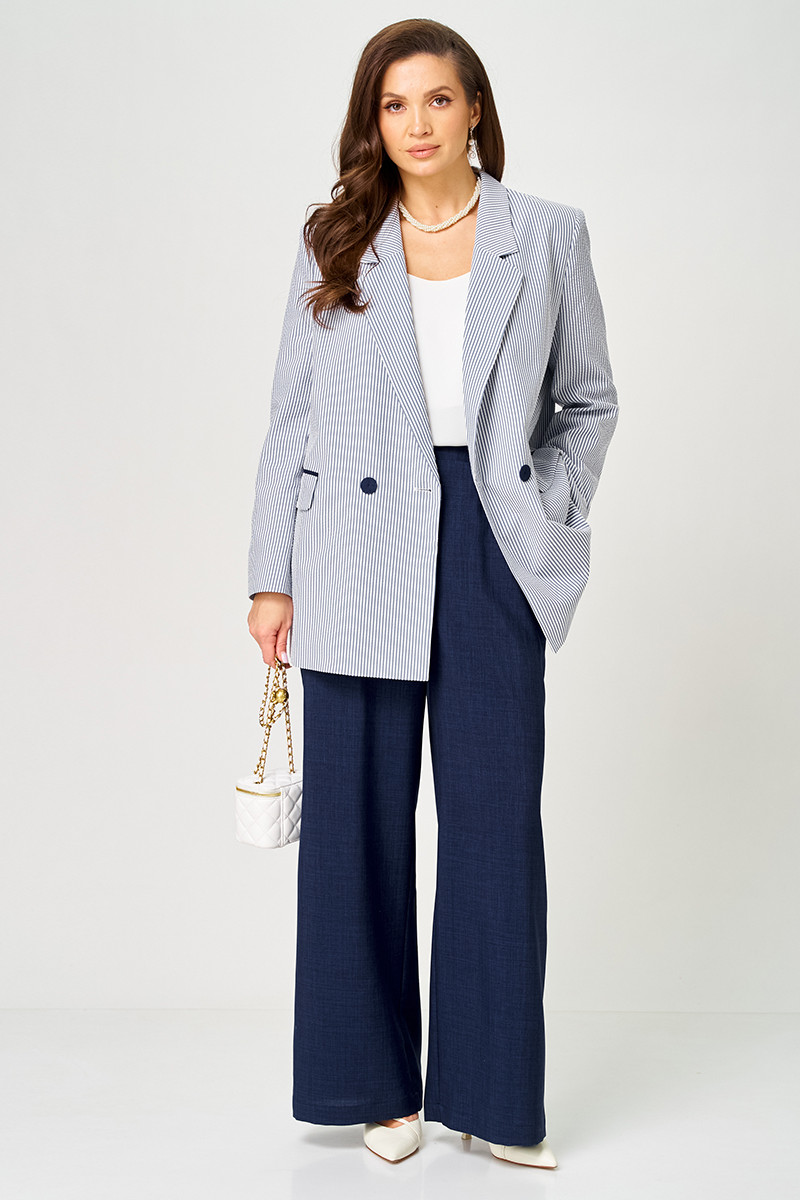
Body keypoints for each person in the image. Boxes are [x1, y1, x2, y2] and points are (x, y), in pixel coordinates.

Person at [247, 18, 618, 1168]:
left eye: (437, 99)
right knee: (353, 828)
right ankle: (375, 1090)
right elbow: (290, 419)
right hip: (354, 550)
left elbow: (588, 402)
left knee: (494, 826)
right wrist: (269, 577)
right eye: (394, 104)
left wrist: (544, 504)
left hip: (489, 543)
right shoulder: (334, 241)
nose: (416, 123)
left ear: (473, 109)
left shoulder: (544, 234)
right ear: (374, 120)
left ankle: (495, 1100)